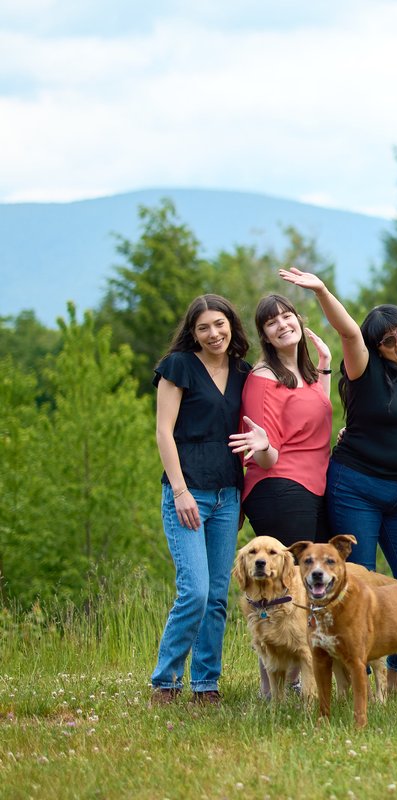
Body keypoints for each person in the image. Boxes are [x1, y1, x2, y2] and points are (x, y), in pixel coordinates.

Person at [280, 267, 397, 699]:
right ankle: (361, 681)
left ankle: (396, 679)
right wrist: (321, 291)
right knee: (356, 580)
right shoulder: (366, 372)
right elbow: (350, 333)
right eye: (387, 340)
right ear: (378, 349)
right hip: (358, 487)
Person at [150, 294, 260, 706]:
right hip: (188, 492)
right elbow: (164, 432)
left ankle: (205, 685)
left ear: (232, 325)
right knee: (193, 592)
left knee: (216, 596)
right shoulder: (178, 367)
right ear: (192, 333)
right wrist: (179, 491)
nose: (213, 333)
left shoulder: (244, 372)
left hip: (228, 495)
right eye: (203, 327)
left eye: (220, 324)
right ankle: (165, 681)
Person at [240, 293, 334, 546]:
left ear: (299, 321)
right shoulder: (263, 379)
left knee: (322, 582)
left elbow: (317, 410)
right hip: (280, 488)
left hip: (316, 486)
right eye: (272, 322)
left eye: (286, 316)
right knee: (293, 581)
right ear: (265, 337)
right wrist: (264, 447)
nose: (282, 324)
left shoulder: (306, 374)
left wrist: (325, 364)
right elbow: (267, 460)